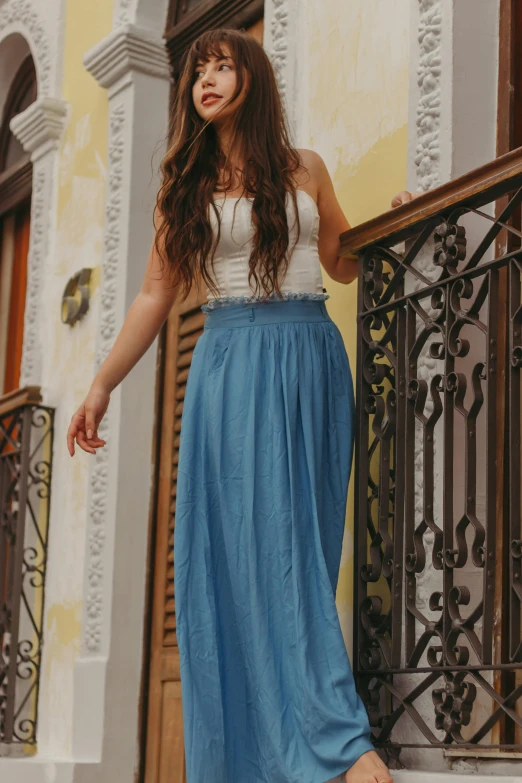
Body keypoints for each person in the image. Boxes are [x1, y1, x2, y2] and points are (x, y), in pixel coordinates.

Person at [67, 27, 420, 783]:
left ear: (252, 77)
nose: (207, 79)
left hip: (311, 361)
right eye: (198, 70)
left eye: (222, 65)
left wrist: (401, 218)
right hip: (230, 369)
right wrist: (100, 383)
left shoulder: (307, 169)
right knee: (244, 560)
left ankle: (307, 738)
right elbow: (156, 296)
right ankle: (331, 744)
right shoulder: (185, 189)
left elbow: (343, 260)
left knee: (300, 552)